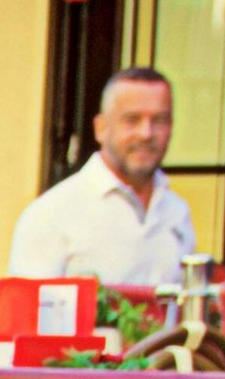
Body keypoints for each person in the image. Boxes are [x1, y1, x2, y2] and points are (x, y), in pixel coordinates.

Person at [10, 67, 198, 290]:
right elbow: (26, 318)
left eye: (159, 120)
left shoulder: (176, 212)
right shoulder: (52, 215)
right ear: (101, 128)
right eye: (132, 120)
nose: (146, 133)